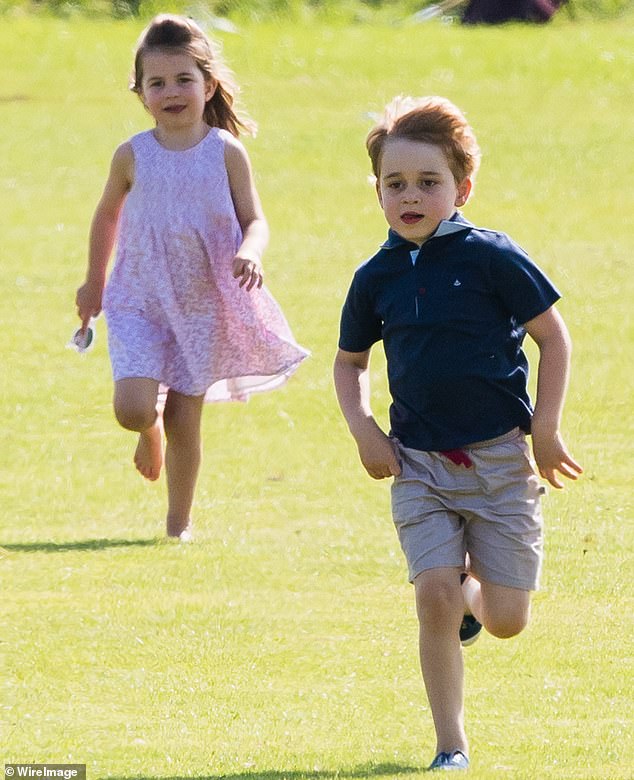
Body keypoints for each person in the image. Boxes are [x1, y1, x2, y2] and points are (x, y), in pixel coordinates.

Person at [333, 96, 582, 771]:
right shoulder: (374, 277)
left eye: (428, 182)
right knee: (431, 594)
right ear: (377, 190)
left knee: (506, 620)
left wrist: (547, 430)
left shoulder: (494, 258)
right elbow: (350, 363)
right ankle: (451, 746)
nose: (410, 195)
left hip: (502, 460)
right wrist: (364, 430)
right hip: (418, 465)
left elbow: (553, 340)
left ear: (462, 188)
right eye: (395, 184)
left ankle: (479, 598)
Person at [76, 14, 308, 541]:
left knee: (188, 415)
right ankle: (146, 428)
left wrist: (251, 251)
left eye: (184, 79)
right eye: (157, 83)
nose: (172, 91)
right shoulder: (132, 155)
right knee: (132, 409)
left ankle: (177, 524)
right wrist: (93, 283)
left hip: (204, 301)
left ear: (209, 85)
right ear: (140, 94)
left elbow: (256, 219)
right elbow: (106, 216)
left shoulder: (225, 151)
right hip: (138, 295)